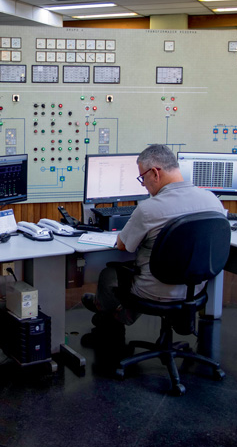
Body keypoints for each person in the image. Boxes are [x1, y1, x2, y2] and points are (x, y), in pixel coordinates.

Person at [82, 144, 224, 339]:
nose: (143, 185)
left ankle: (116, 318)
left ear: (155, 173)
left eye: (142, 178)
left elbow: (123, 245)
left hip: (154, 291)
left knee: (109, 274)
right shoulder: (212, 201)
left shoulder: (149, 209)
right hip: (195, 290)